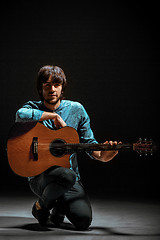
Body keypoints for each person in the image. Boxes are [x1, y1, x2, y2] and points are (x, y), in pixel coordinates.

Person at [15, 65, 119, 230]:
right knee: (67, 175)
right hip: (40, 177)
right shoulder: (33, 108)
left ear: (62, 87)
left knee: (83, 221)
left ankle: (58, 207)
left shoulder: (76, 110)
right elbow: (20, 115)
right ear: (40, 89)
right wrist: (53, 116)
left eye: (56, 85)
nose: (52, 89)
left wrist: (104, 156)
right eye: (47, 85)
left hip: (70, 178)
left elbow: (90, 144)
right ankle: (40, 207)